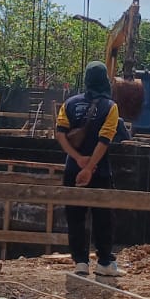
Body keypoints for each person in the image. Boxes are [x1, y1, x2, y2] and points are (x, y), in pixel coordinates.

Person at [55, 61, 123, 278]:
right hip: (100, 171)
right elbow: (105, 140)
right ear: (105, 80)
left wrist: (78, 160)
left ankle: (81, 262)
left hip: (73, 170)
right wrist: (91, 166)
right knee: (103, 216)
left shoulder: (70, 104)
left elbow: (60, 134)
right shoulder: (110, 107)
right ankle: (104, 262)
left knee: (75, 216)